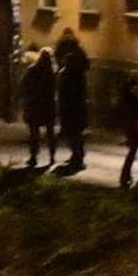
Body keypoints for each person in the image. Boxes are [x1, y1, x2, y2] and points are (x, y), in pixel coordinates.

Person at [53, 32, 92, 179]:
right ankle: (78, 156)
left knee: (73, 134)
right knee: (77, 134)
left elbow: (63, 91)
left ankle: (77, 158)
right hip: (78, 106)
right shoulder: (79, 71)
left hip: (71, 108)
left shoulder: (69, 74)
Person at [19, 47, 58, 171]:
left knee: (34, 134)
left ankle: (34, 157)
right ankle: (52, 156)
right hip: (48, 105)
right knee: (50, 133)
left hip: (34, 105)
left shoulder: (32, 70)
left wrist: (25, 100)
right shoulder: (53, 72)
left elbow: (24, 85)